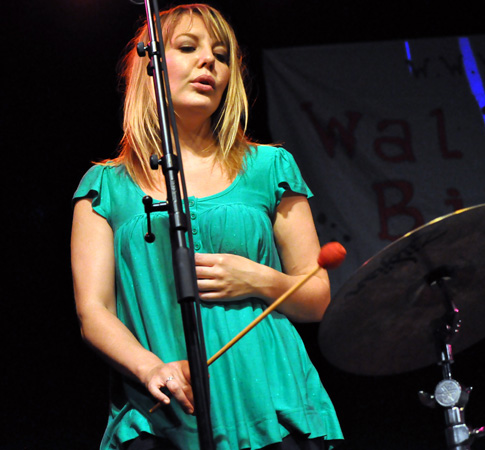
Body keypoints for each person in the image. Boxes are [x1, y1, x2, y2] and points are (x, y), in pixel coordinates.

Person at [70, 4, 343, 450]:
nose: (208, 62)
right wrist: (149, 368)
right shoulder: (105, 186)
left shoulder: (270, 166)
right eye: (188, 47)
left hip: (272, 403)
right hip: (163, 414)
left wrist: (253, 277)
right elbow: (93, 313)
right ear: (149, 64)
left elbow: (315, 299)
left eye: (220, 54)